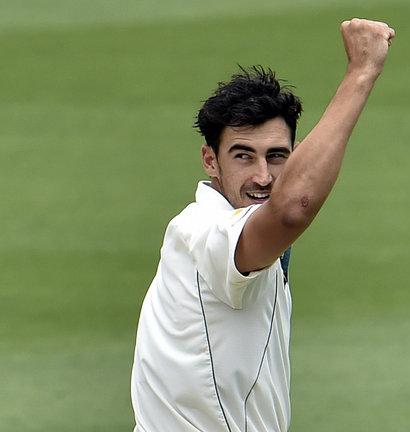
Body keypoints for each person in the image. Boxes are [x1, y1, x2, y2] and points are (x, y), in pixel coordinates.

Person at [130, 18, 395, 432]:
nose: (263, 177)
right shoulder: (205, 231)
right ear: (210, 161)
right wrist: (362, 71)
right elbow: (293, 209)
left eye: (276, 156)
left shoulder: (232, 230)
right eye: (242, 156)